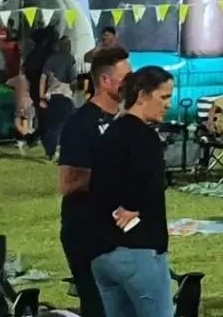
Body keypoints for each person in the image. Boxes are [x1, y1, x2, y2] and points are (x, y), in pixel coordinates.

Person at [88, 67, 175, 317]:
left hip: (103, 251)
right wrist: (134, 205)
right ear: (142, 95)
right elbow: (150, 180)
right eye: (164, 97)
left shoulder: (110, 132)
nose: (168, 105)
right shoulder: (144, 137)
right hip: (139, 248)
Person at [58, 44, 132, 317]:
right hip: (87, 231)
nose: (131, 84)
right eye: (125, 78)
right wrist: (114, 176)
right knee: (100, 307)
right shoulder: (81, 123)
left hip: (124, 231)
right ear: (104, 80)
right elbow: (68, 181)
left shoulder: (129, 121)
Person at [41, 36, 79, 158]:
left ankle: (50, 151)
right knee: (67, 125)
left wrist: (41, 96)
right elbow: (73, 81)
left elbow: (43, 78)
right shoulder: (70, 59)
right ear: (67, 46)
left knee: (52, 125)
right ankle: (63, 151)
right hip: (65, 95)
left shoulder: (51, 58)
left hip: (51, 95)